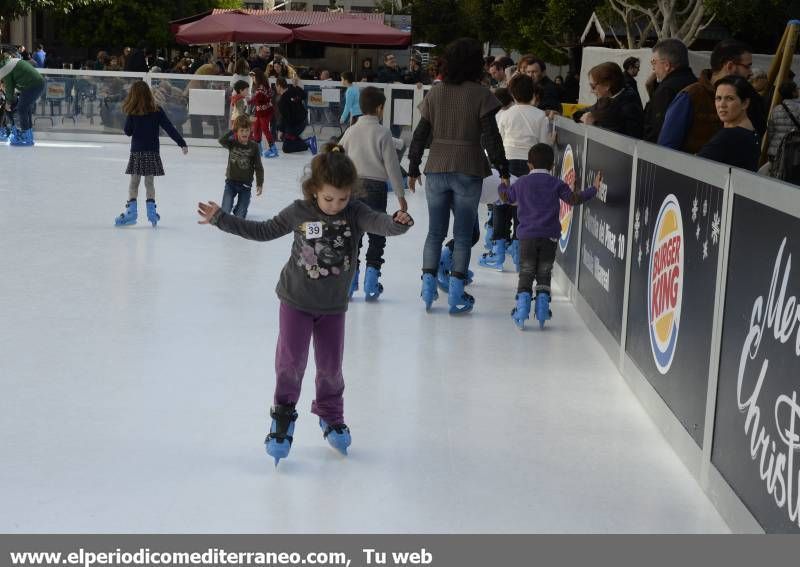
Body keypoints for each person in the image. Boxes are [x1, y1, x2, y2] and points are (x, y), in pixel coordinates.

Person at [196, 145, 414, 464]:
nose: (335, 205)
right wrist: (222, 220)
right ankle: (282, 417)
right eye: (328, 199)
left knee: (330, 367)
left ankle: (330, 414)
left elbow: (381, 223)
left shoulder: (355, 212)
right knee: (290, 364)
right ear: (314, 191)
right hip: (295, 301)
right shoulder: (300, 211)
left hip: (332, 307)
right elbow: (264, 230)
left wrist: (399, 222)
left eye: (342, 198)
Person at [408, 37, 509, 315]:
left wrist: (414, 167)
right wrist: (503, 170)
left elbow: (420, 134)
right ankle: (455, 293)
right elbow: (491, 137)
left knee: (434, 233)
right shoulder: (481, 94)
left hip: (437, 166)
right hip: (468, 167)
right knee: (463, 235)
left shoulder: (436, 93)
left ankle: (428, 286)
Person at [499, 143, 601, 329]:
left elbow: (507, 198)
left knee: (527, 271)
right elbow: (573, 199)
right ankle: (543, 310)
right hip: (550, 237)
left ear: (529, 164)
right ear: (552, 165)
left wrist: (503, 185)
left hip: (527, 238)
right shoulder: (556, 183)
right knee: (544, 272)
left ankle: (522, 310)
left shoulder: (521, 182)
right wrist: (593, 189)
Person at [339, 87, 407, 301]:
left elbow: (338, 157)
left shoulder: (351, 131)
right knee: (377, 231)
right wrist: (400, 195)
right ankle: (371, 279)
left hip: (353, 188)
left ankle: (350, 282)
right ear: (379, 108)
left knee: (353, 234)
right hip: (377, 189)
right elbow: (392, 166)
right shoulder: (383, 132)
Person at [482, 74, 549, 272]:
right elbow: (543, 144)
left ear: (512, 93)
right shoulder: (540, 116)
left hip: (505, 163)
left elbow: (495, 141)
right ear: (533, 93)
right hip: (529, 166)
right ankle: (520, 253)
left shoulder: (504, 114)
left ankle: (499, 252)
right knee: (524, 208)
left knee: (501, 205)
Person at [658, 39, 757, 154]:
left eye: (729, 99)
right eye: (747, 66)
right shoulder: (691, 95)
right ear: (730, 66)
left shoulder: (747, 97)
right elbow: (666, 148)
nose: (750, 72)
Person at [115, 80, 188, 227]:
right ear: (149, 93)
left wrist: (131, 118)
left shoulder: (133, 112)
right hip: (152, 152)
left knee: (134, 183)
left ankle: (131, 213)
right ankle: (151, 212)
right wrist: (181, 143)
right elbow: (169, 128)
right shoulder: (157, 110)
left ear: (133, 96)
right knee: (149, 183)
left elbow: (128, 132)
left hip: (137, 152)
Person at [698, 76, 760, 172]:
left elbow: (695, 166)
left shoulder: (728, 137)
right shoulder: (752, 132)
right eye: (718, 98)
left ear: (745, 103)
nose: (722, 105)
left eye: (729, 98)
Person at [643, 38, 697, 143]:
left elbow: (656, 131)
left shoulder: (666, 90)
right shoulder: (696, 83)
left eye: (654, 62)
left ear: (667, 65)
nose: (653, 68)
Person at [575, 62, 644, 139]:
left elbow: (625, 139)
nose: (591, 91)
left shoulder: (629, 106)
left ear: (607, 85)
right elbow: (592, 109)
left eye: (593, 86)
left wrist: (594, 123)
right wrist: (578, 114)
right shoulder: (607, 98)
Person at [218, 114, 264, 218]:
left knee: (239, 216)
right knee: (224, 212)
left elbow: (258, 167)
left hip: (245, 185)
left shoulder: (254, 146)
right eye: (242, 130)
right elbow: (221, 140)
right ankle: (231, 207)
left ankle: (238, 208)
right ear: (237, 131)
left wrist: (259, 183)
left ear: (250, 130)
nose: (244, 133)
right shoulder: (232, 143)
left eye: (247, 130)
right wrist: (232, 130)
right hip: (231, 183)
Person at [0, 51, 44, 146]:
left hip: (32, 85)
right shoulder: (10, 62)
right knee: (25, 108)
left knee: (22, 108)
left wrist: (8, 102)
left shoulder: (4, 69)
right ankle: (28, 135)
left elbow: (9, 87)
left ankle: (26, 137)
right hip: (36, 83)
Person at [275, 76, 316, 154]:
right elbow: (304, 95)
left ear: (279, 86)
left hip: (296, 124)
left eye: (276, 86)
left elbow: (287, 118)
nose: (276, 88)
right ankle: (295, 139)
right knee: (286, 137)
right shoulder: (293, 90)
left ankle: (307, 142)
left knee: (286, 148)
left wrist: (281, 130)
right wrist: (296, 86)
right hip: (303, 120)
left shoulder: (282, 101)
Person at [766, 81, 800, 167]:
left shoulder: (776, 109)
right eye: (797, 89)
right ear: (793, 92)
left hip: (776, 150)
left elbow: (770, 131)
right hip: (794, 153)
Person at [249, 68, 278, 158]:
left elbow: (260, 97)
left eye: (254, 77)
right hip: (259, 111)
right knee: (256, 128)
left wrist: (250, 100)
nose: (253, 79)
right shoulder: (259, 87)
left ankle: (273, 148)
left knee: (265, 128)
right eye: (252, 78)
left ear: (258, 77)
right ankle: (258, 148)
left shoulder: (262, 87)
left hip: (265, 112)